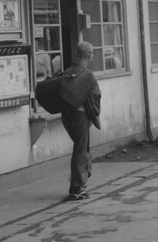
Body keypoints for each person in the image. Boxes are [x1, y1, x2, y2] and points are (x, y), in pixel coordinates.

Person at [60, 41, 101, 200]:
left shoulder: (67, 72)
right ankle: (76, 187)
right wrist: (95, 118)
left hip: (67, 116)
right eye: (93, 53)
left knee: (80, 148)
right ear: (89, 55)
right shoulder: (87, 75)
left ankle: (78, 182)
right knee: (81, 150)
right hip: (80, 116)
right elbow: (95, 97)